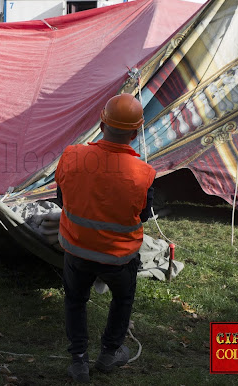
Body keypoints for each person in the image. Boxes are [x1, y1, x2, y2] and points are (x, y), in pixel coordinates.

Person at [55, 94, 155, 382]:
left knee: (75, 301)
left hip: (77, 250)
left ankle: (78, 361)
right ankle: (110, 353)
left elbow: (62, 198)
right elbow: (144, 214)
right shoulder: (144, 173)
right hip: (119, 257)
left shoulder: (72, 155)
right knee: (122, 300)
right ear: (136, 133)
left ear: (102, 124)